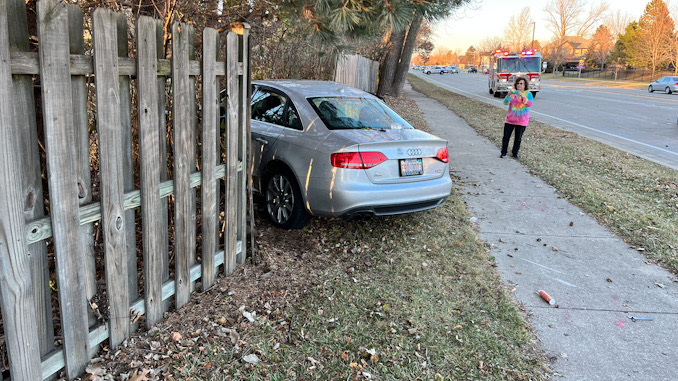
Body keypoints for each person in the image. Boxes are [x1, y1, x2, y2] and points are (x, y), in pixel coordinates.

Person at [500, 76, 533, 159]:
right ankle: (503, 152)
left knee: (518, 138)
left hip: (522, 120)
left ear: (525, 85)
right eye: (518, 83)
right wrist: (508, 95)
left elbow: (529, 104)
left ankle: (515, 153)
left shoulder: (528, 94)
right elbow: (505, 103)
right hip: (510, 119)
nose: (519, 85)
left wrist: (522, 96)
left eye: (521, 83)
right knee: (506, 137)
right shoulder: (513, 93)